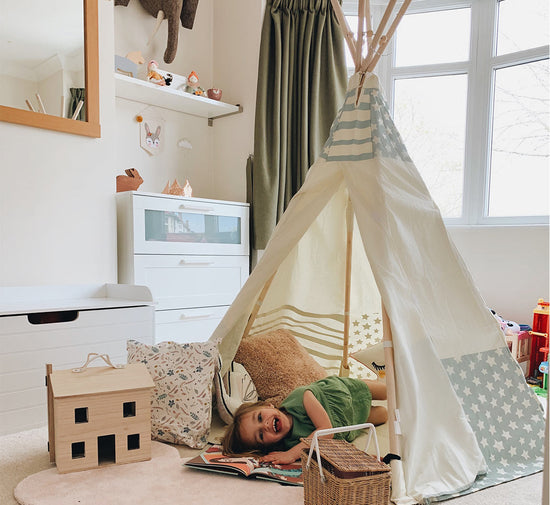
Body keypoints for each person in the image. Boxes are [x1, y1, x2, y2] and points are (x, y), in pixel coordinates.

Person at [221, 376, 387, 465]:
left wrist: (292, 455)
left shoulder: (300, 398)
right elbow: (324, 452)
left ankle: (374, 379)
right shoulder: (290, 444)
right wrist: (360, 458)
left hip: (342, 394)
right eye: (260, 435)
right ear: (268, 445)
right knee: (384, 414)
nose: (264, 426)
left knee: (387, 391)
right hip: (348, 421)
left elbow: (325, 430)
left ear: (267, 405)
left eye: (259, 417)